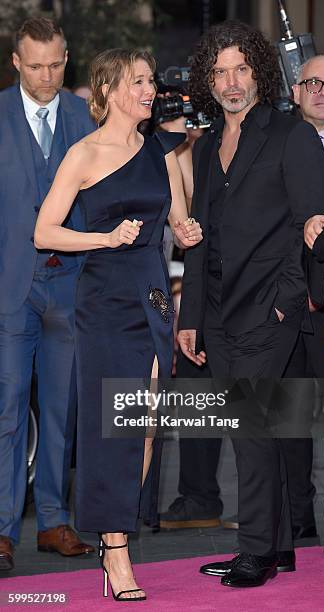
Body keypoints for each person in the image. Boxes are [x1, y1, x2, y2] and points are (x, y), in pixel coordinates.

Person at [34, 47, 202, 601]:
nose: (148, 90)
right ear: (107, 92)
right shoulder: (83, 155)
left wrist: (188, 230)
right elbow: (45, 232)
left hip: (152, 295)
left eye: (150, 80)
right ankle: (114, 550)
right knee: (117, 425)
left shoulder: (162, 148)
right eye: (137, 82)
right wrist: (104, 238)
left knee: (148, 426)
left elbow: (177, 219)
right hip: (104, 299)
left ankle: (119, 531)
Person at [177, 20, 324, 589]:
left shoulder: (291, 134)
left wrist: (286, 306)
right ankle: (280, 546)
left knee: (250, 428)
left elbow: (312, 228)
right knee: (251, 425)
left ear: (260, 72)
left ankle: (255, 550)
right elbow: (200, 238)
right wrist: (190, 316)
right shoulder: (208, 145)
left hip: (270, 309)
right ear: (207, 81)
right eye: (218, 71)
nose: (230, 81)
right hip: (217, 312)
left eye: (240, 67)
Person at [0, 17, 95, 572]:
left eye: (56, 63)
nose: (46, 75)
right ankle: (4, 529)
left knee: (63, 410)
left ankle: (55, 522)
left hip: (72, 284)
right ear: (16, 62)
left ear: (67, 56)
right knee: (8, 413)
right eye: (35, 65)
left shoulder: (86, 117)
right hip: (11, 289)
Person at [279, 55, 324, 551]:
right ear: (296, 91)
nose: (323, 90)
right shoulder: (270, 151)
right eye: (313, 82)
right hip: (284, 309)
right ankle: (296, 522)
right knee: (287, 421)